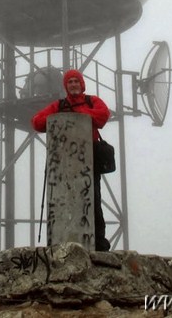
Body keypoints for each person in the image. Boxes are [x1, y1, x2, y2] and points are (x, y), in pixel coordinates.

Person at [32, 69, 112, 251]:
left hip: (89, 160)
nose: (74, 84)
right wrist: (59, 119)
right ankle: (59, 240)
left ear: (82, 84)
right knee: (62, 200)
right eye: (70, 82)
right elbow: (37, 122)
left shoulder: (92, 101)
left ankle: (99, 242)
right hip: (64, 163)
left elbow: (103, 116)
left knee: (93, 199)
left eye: (76, 81)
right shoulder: (59, 105)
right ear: (66, 86)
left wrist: (79, 116)